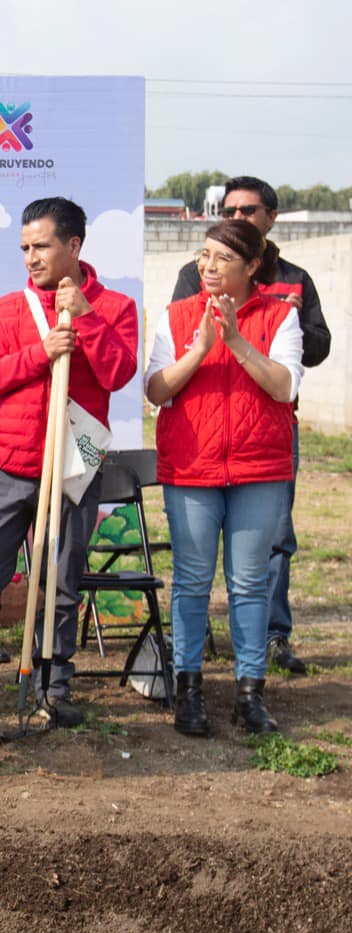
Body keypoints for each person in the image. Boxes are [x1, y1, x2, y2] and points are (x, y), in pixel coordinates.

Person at [0, 198, 138, 727]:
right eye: (25, 248)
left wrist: (86, 319)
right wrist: (43, 351)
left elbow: (119, 372)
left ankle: (55, 686)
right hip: (7, 463)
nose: (31, 257)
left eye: (42, 246)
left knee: (60, 582)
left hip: (74, 465)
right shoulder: (9, 309)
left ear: (73, 246)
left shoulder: (116, 306)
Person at [171, 176, 332, 677]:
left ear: (270, 218)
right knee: (195, 573)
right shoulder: (193, 278)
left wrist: (258, 335)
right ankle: (192, 666)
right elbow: (172, 360)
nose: (238, 216)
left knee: (270, 546)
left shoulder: (294, 280)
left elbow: (315, 348)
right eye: (231, 209)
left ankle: (271, 640)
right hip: (200, 446)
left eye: (249, 210)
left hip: (267, 436)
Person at [148, 220, 303, 736]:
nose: (207, 266)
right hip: (191, 468)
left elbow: (283, 387)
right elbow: (156, 389)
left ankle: (248, 694)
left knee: (249, 583)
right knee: (191, 581)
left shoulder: (282, 316)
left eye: (221, 259)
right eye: (204, 255)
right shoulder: (176, 316)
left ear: (252, 266)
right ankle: (188, 692)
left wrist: (235, 341)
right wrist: (199, 348)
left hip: (260, 468)